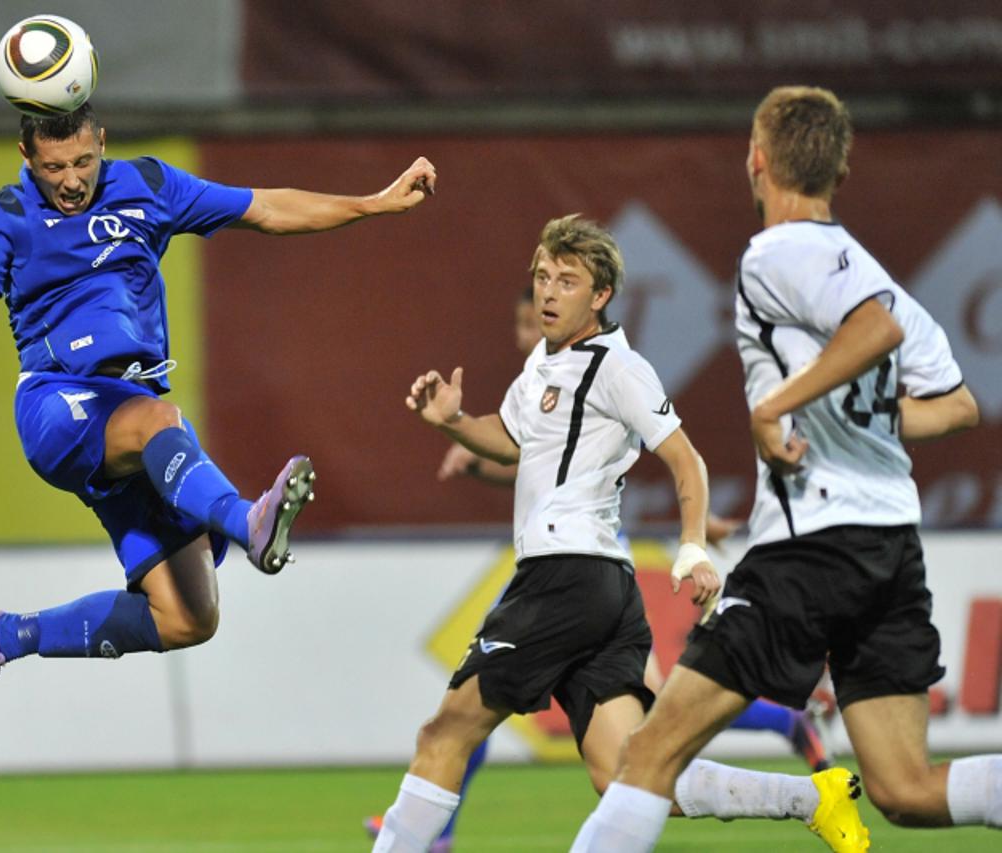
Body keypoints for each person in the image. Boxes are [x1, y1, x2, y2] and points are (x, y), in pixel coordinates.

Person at [0, 104, 437, 728]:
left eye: (83, 161)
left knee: (187, 618)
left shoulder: (148, 186)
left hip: (134, 425)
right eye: (54, 168)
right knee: (160, 420)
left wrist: (373, 203)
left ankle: (3, 637)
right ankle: (251, 521)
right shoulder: (4, 213)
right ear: (26, 158)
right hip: (60, 405)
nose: (72, 180)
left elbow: (265, 208)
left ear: (102, 142)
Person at [571, 85, 997, 853]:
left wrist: (776, 409)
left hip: (810, 548)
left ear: (757, 161)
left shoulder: (775, 253)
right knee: (903, 787)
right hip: (888, 545)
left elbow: (875, 328)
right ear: (841, 168)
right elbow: (958, 402)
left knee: (645, 755)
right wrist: (850, 412)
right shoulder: (870, 270)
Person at [370, 214, 866, 853]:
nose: (548, 292)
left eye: (567, 281)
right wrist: (455, 421)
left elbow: (686, 459)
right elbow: (512, 439)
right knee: (627, 774)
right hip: (601, 588)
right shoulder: (545, 363)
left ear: (600, 296)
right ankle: (812, 797)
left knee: (445, 734)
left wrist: (691, 546)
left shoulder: (618, 367)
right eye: (543, 277)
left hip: (564, 575)